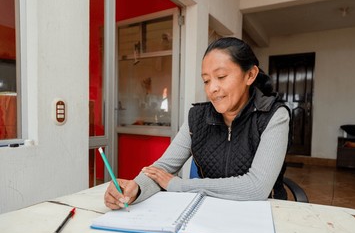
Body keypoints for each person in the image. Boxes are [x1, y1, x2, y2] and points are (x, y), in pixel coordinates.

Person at [104, 37, 291, 210]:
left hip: (263, 213)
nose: (212, 88)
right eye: (206, 80)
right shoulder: (198, 117)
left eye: (221, 77)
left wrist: (179, 185)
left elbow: (257, 187)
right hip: (209, 211)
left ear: (250, 75)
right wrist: (135, 188)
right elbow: (162, 168)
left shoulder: (274, 115)